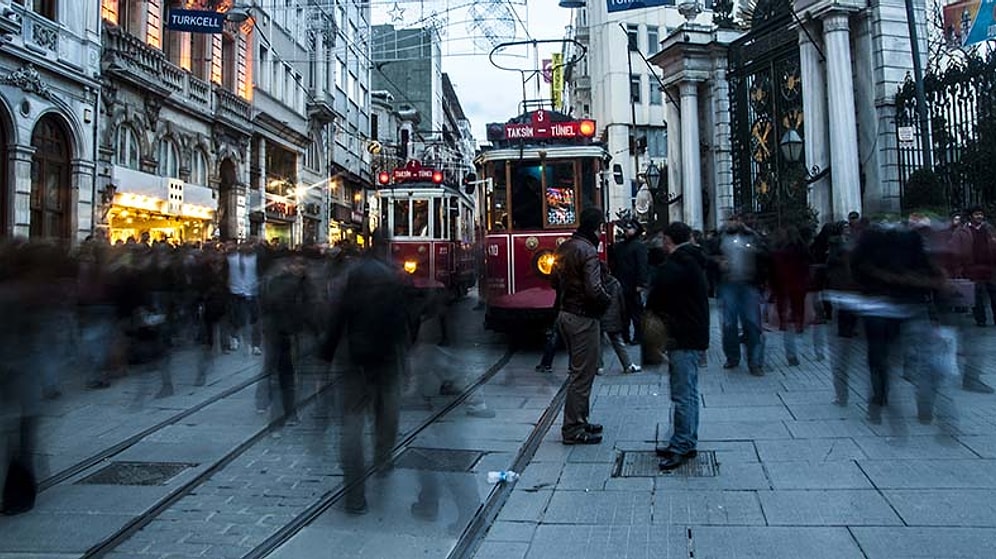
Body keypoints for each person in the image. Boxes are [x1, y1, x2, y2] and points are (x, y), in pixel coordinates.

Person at [322, 230, 410, 514]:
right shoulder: (393, 276)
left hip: (353, 358)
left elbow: (338, 316)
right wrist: (403, 357)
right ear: (387, 247)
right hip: (385, 359)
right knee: (388, 415)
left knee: (351, 424)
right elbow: (402, 322)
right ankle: (383, 459)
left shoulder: (352, 274)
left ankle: (354, 496)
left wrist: (327, 350)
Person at [646, 222, 709, 470]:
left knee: (683, 393)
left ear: (667, 240)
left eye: (663, 239)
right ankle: (685, 440)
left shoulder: (677, 265)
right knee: (689, 392)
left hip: (683, 336)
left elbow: (657, 298)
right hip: (692, 334)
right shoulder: (692, 260)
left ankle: (682, 444)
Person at [551, 208, 611, 445]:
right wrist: (608, 301)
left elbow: (553, 280)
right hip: (583, 317)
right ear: (596, 227)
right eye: (601, 227)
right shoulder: (588, 251)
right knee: (582, 375)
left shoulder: (565, 247)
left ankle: (580, 419)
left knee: (580, 371)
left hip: (565, 313)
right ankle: (573, 427)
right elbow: (594, 289)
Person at [714, 213, 767, 375]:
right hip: (728, 284)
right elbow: (708, 255)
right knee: (729, 324)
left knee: (752, 323)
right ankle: (732, 357)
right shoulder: (720, 237)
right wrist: (717, 263)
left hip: (749, 285)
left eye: (736, 219)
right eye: (730, 219)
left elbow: (765, 254)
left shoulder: (752, 236)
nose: (733, 222)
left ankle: (755, 361)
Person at [950, 206, 996, 327]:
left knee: (994, 294)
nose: (979, 216)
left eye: (981, 214)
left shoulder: (989, 229)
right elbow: (955, 251)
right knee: (977, 296)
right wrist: (958, 269)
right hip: (972, 268)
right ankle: (980, 319)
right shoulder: (962, 231)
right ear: (971, 216)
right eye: (976, 214)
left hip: (989, 268)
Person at [609, 218, 649, 345]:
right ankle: (626, 335)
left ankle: (638, 335)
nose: (626, 231)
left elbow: (642, 266)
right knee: (624, 312)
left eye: (629, 229)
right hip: (623, 282)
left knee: (635, 311)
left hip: (632, 283)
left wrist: (640, 283)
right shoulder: (620, 246)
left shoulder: (638, 246)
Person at [599, 262, 640, 374]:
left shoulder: (595, 284)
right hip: (613, 317)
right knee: (617, 341)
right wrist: (623, 317)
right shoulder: (615, 283)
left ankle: (599, 367)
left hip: (598, 316)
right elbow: (621, 301)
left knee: (598, 342)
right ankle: (627, 365)